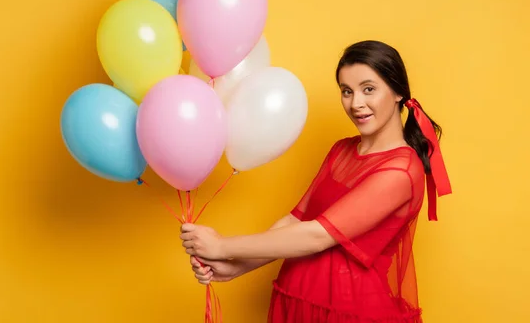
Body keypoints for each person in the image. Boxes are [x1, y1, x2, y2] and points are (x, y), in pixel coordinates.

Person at [180, 40, 452, 322]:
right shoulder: (341, 150)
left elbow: (318, 235)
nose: (356, 103)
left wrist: (222, 247)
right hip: (297, 300)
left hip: (350, 314)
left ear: (397, 92)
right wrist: (238, 267)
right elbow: (295, 220)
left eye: (368, 89)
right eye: (347, 91)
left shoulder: (402, 170)